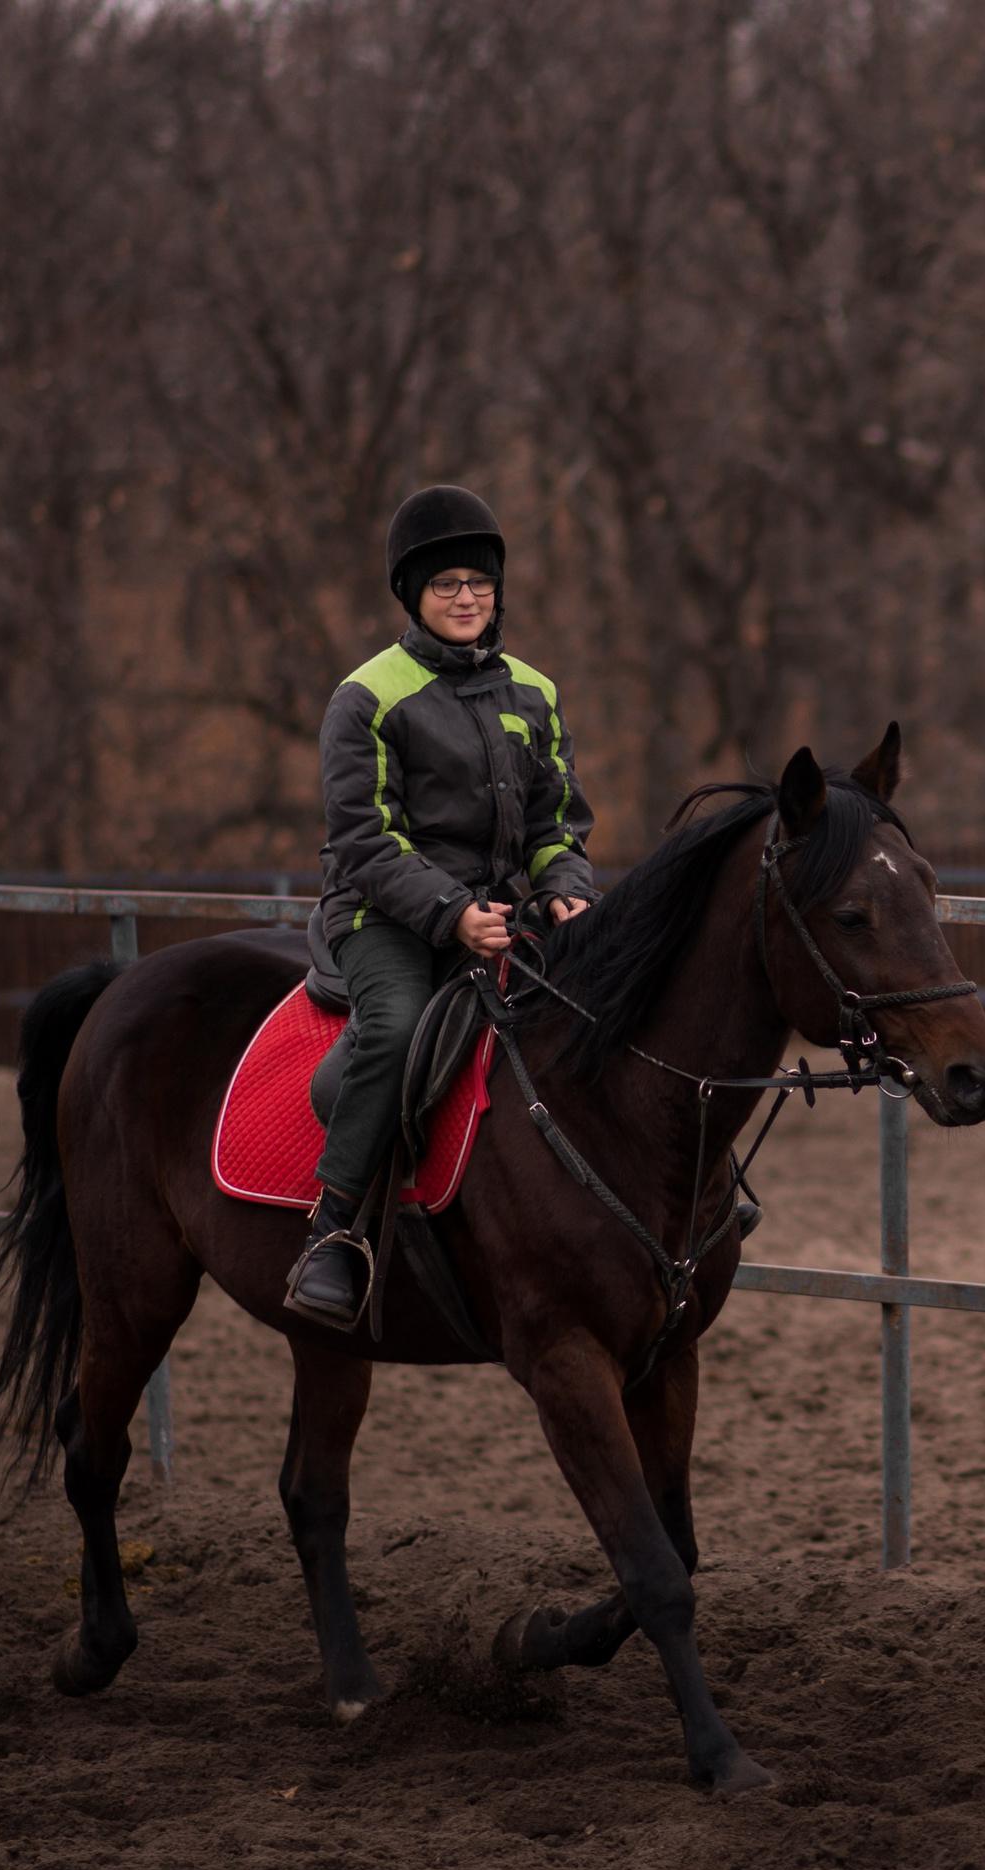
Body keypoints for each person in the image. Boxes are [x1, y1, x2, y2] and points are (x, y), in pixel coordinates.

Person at [286, 486, 597, 1324]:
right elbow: (365, 839)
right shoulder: (366, 697)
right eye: (445, 584)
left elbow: (555, 821)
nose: (466, 598)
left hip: (499, 913)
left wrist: (565, 891)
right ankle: (335, 1227)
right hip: (379, 915)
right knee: (395, 1026)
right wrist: (453, 914)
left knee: (603, 999)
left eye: (479, 583)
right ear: (413, 596)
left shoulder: (535, 691)